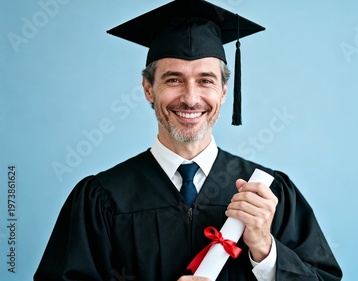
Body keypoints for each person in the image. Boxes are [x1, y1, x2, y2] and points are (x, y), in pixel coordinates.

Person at [34, 0, 342, 280]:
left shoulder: (268, 194)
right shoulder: (102, 198)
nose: (190, 98)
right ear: (147, 88)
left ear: (223, 91)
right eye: (173, 80)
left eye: (205, 80)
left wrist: (265, 250)